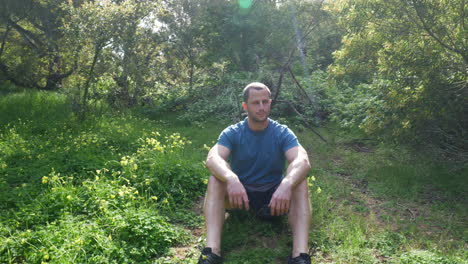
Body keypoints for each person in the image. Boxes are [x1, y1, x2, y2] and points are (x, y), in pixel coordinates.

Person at [198, 82, 312, 264]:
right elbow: (213, 159)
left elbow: (302, 161)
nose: (261, 107)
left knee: (299, 180)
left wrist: (286, 184)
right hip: (240, 197)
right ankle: (212, 252)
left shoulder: (282, 132)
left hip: (274, 198)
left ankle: (300, 255)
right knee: (215, 178)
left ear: (270, 103)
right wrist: (231, 178)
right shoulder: (233, 132)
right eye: (255, 103)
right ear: (245, 106)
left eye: (265, 102)